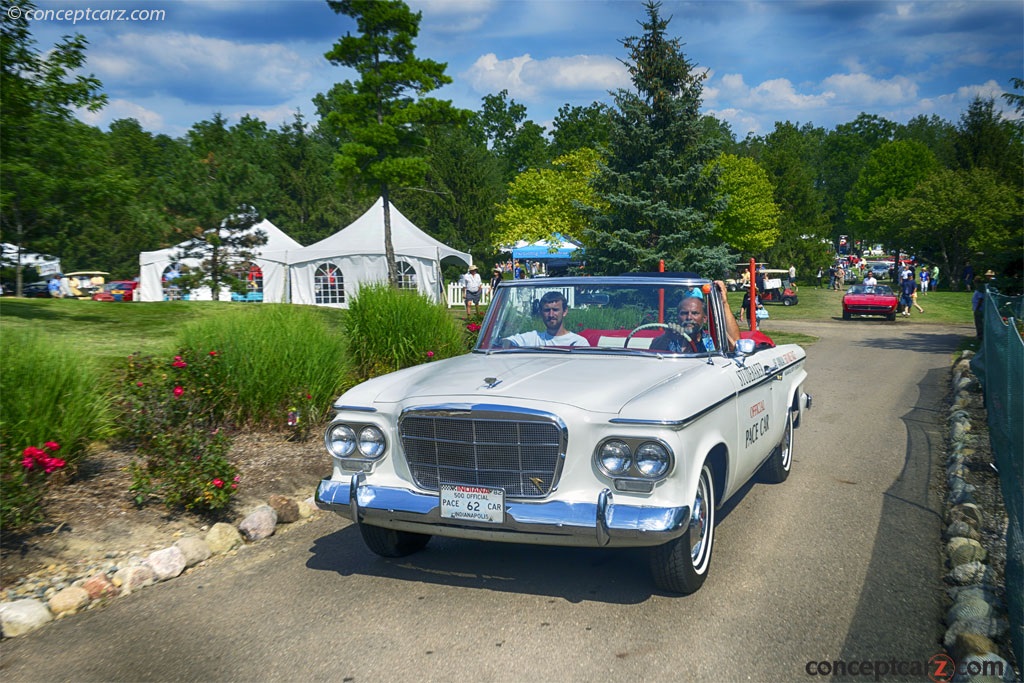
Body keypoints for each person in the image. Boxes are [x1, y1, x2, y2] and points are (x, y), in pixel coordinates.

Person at [651, 282, 740, 353]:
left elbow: (734, 346)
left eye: (695, 313)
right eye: (684, 313)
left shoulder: (710, 342)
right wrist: (667, 336)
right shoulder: (669, 339)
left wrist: (724, 303)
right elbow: (652, 352)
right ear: (677, 317)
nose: (689, 317)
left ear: (705, 318)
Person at [503, 291, 589, 347]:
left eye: (555, 310)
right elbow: (506, 342)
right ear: (541, 312)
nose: (551, 315)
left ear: (565, 311)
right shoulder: (534, 339)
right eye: (547, 310)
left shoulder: (578, 343)